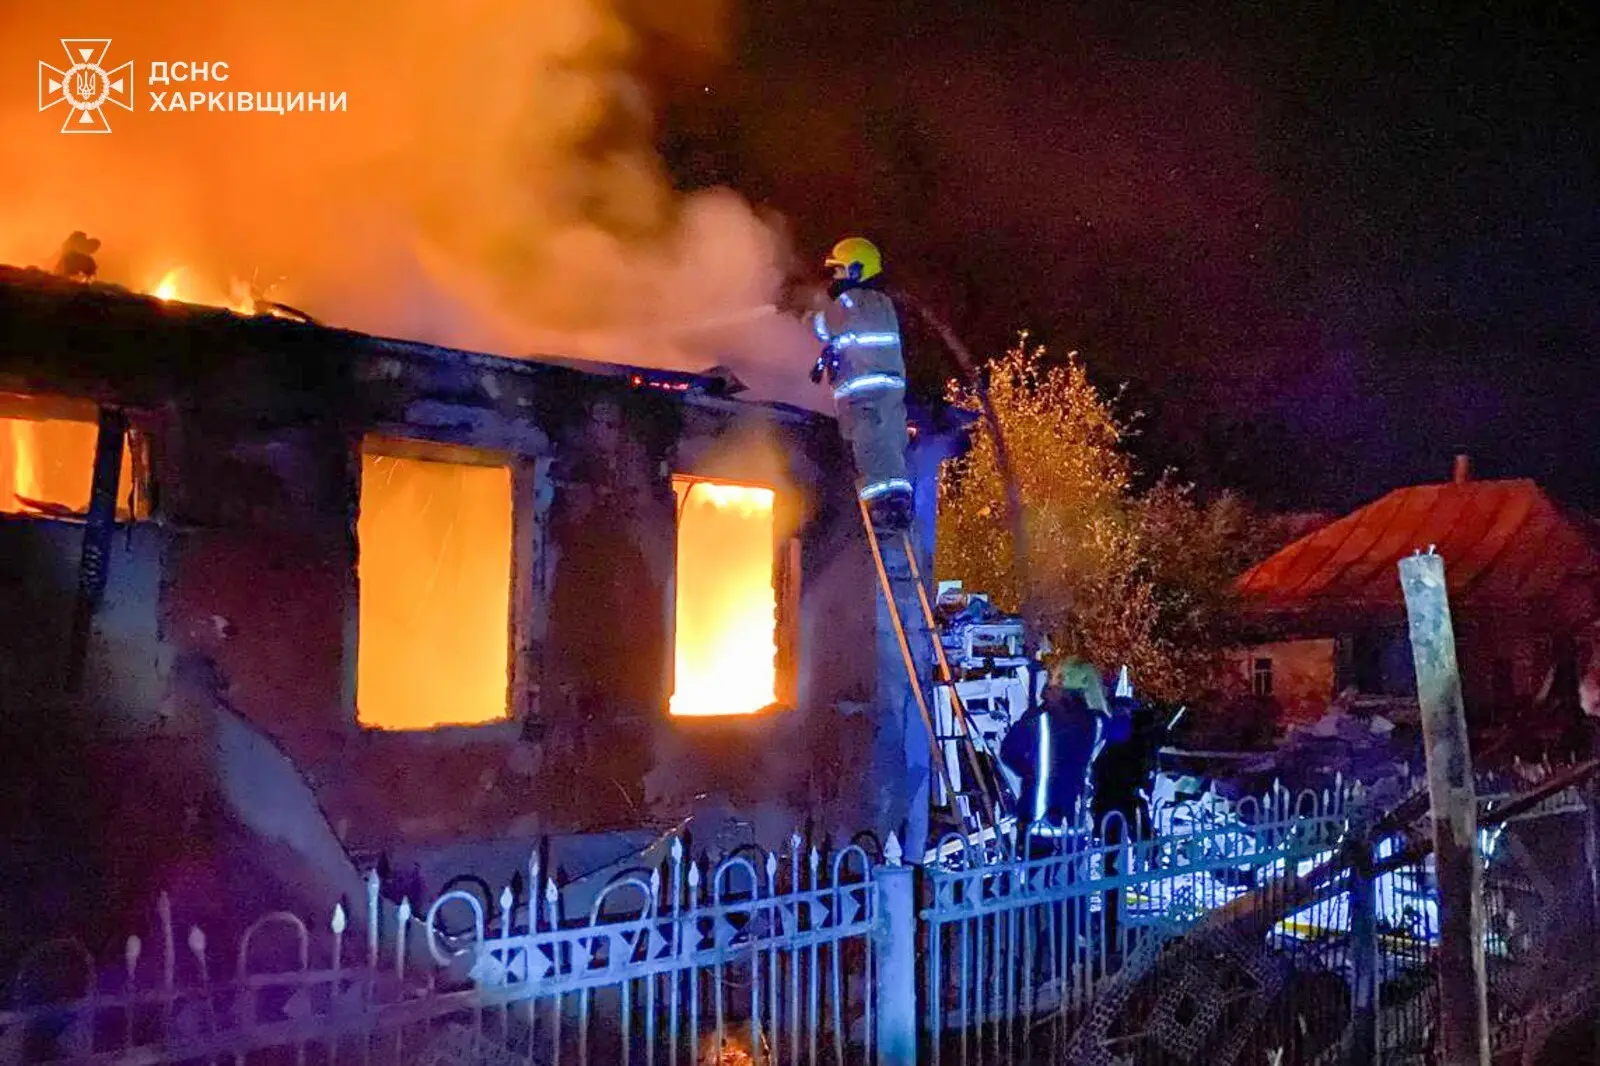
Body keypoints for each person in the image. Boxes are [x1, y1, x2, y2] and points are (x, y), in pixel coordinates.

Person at [808, 237, 913, 532]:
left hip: (862, 393)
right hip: (888, 388)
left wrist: (808, 314)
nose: (834, 278)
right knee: (889, 442)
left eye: (838, 270)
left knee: (868, 444)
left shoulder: (849, 301)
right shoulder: (882, 303)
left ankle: (882, 507)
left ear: (856, 270)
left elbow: (823, 328)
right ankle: (898, 502)